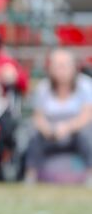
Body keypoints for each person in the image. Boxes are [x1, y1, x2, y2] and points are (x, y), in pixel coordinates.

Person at [24, 48, 92, 186]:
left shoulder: (85, 85)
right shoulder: (43, 88)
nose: (61, 71)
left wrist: (67, 127)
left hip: (76, 130)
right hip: (51, 132)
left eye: (64, 66)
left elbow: (87, 115)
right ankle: (30, 176)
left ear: (73, 67)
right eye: (57, 66)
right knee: (33, 136)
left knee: (88, 135)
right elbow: (38, 117)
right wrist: (48, 129)